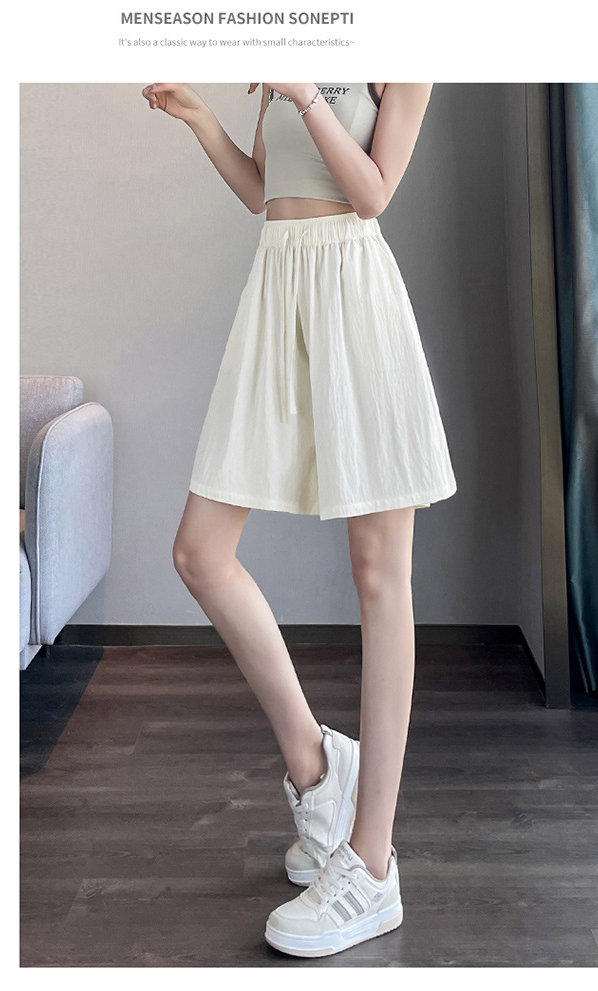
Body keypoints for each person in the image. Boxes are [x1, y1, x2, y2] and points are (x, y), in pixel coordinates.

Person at [141, 81, 457, 958]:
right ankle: (319, 771)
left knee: (380, 575)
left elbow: (373, 192)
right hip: (277, 295)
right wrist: (202, 120)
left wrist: (306, 90)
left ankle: (372, 861)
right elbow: (264, 189)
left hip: (355, 298)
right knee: (200, 552)